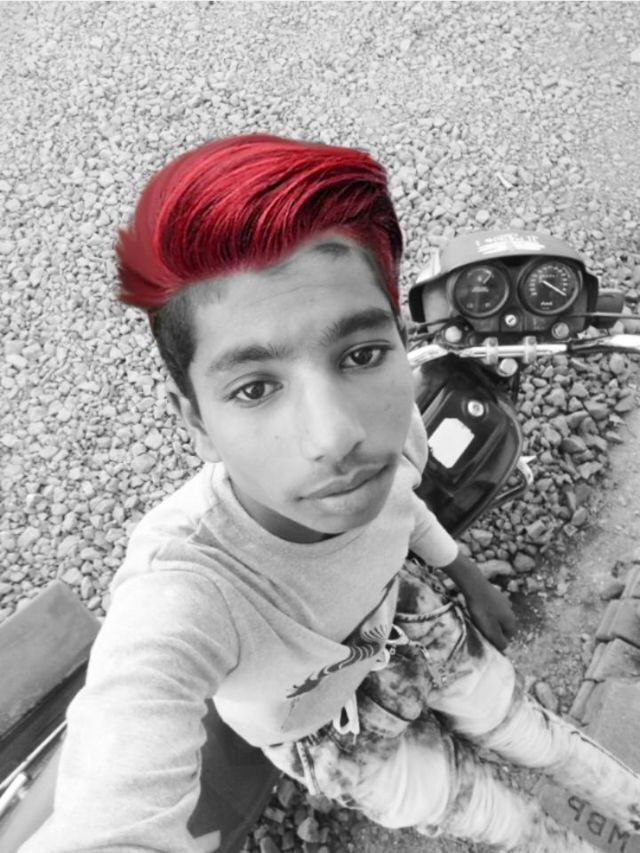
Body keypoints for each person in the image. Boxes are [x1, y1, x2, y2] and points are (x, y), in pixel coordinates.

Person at [20, 134, 640, 853]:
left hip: (412, 619)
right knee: (491, 817)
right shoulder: (183, 587)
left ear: (401, 344)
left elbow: (403, 502)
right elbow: (119, 760)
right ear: (194, 420)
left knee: (530, 731)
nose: (338, 436)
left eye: (363, 354)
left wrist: (465, 572)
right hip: (324, 735)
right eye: (255, 387)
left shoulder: (399, 425)